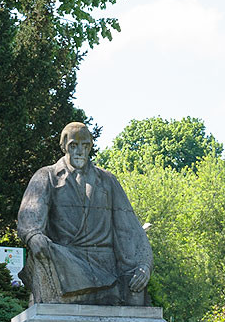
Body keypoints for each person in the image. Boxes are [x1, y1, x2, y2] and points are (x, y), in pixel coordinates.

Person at [17, 122, 153, 305]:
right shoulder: (47, 176)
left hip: (105, 263)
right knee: (43, 251)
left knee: (135, 291)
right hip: (65, 259)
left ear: (90, 146)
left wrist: (143, 264)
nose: (80, 151)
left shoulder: (107, 180)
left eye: (85, 145)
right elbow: (30, 214)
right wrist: (33, 236)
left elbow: (129, 227)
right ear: (64, 146)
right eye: (74, 145)